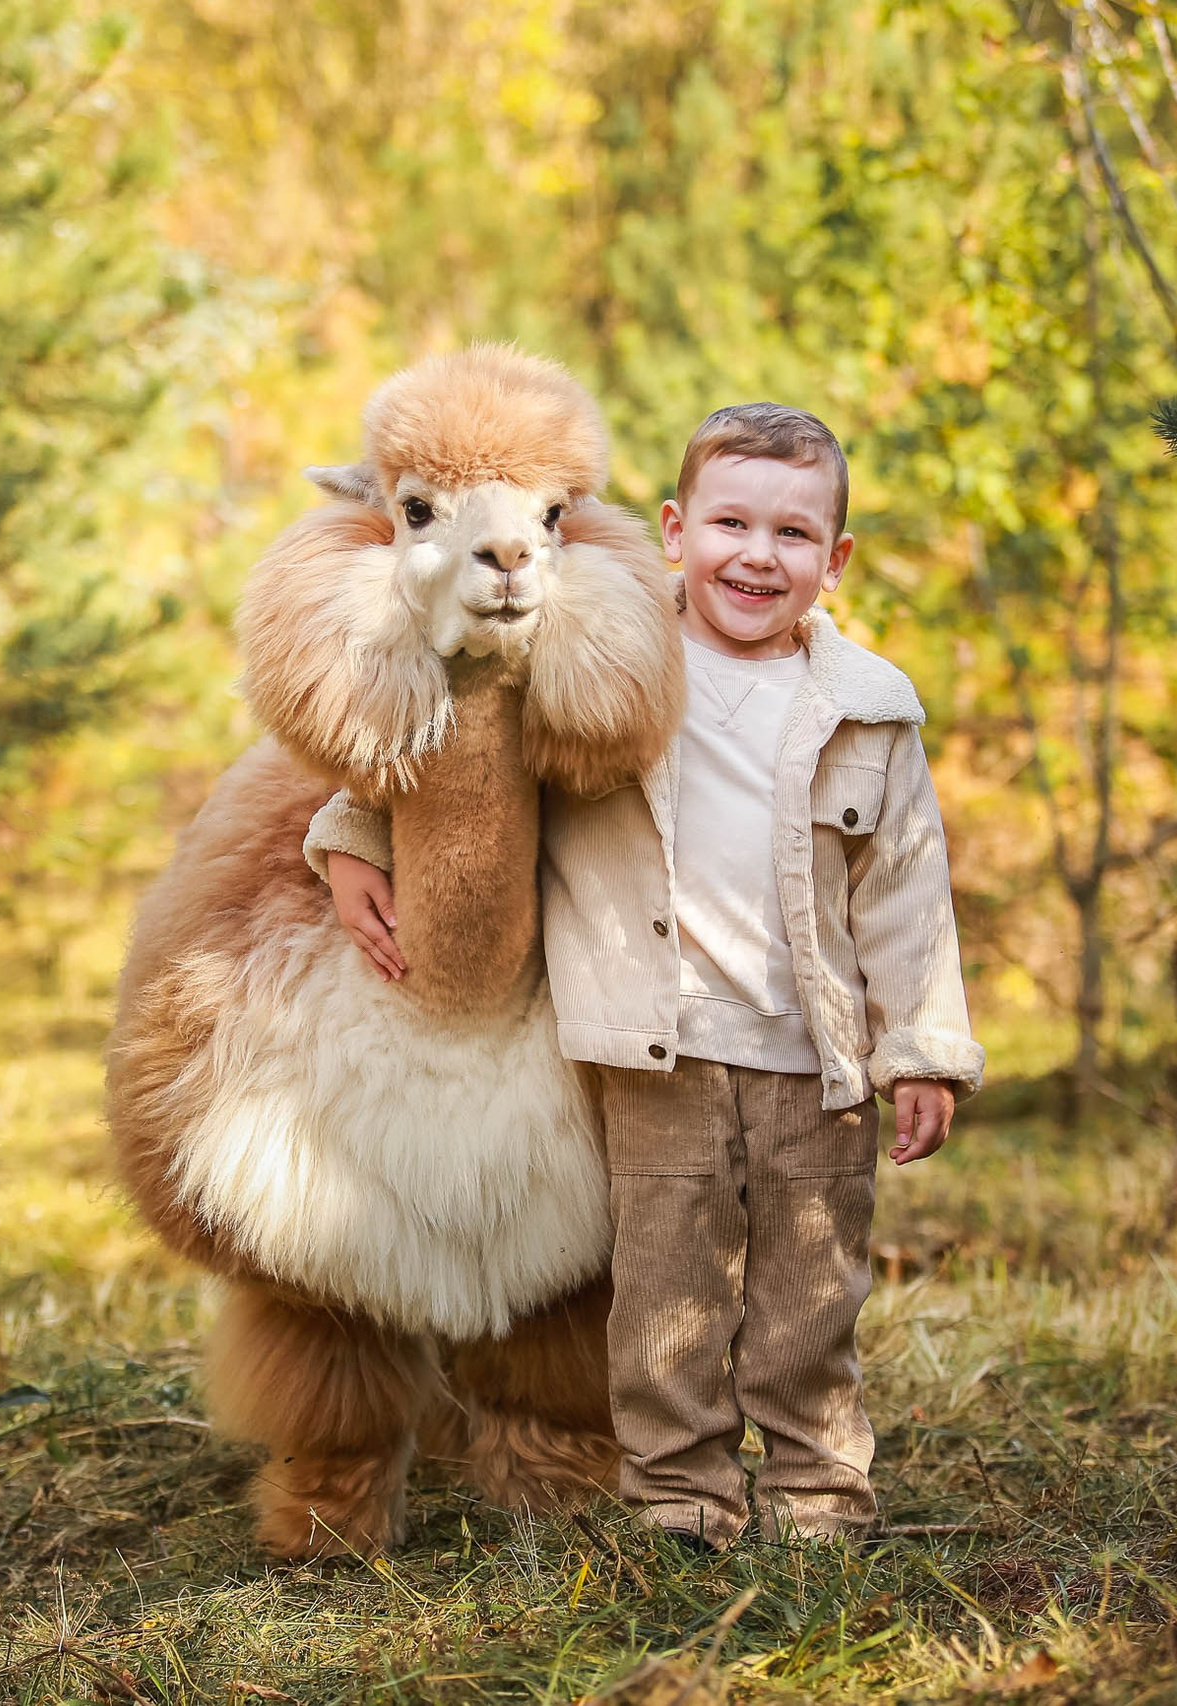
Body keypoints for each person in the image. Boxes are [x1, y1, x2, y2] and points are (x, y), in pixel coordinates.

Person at [304, 403, 982, 1547]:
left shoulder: (871, 712)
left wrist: (920, 1048)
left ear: (835, 557)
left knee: (809, 1295)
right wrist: (350, 834)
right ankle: (679, 1493)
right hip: (654, 1046)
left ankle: (817, 1492)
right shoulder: (596, 659)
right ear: (673, 530)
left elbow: (906, 897)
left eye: (792, 534)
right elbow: (463, 736)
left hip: (812, 1057)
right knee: (665, 1292)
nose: (756, 556)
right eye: (730, 523)